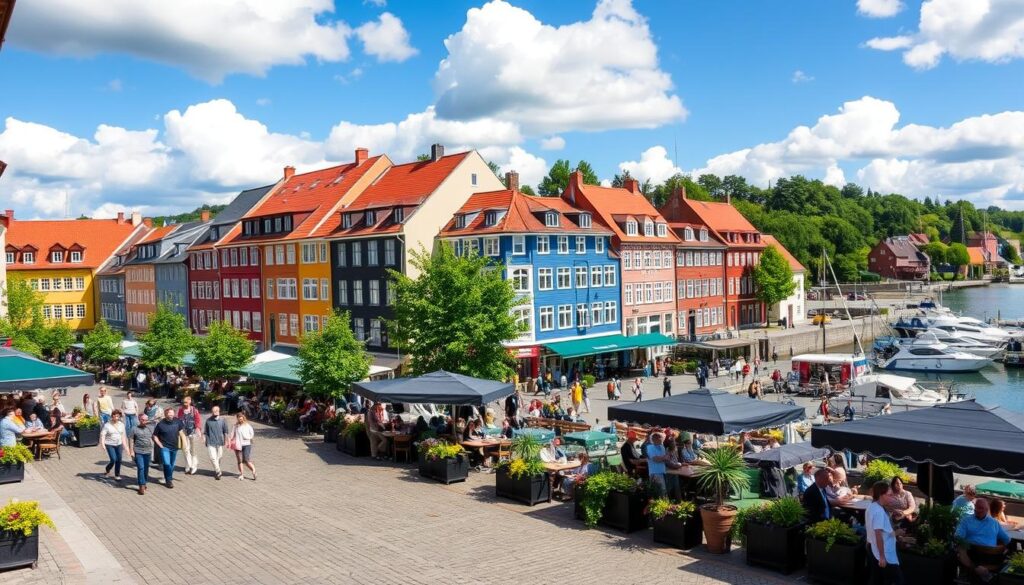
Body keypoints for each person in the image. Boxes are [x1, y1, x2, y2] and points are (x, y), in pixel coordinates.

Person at [955, 498, 1010, 583]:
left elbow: (1006, 539)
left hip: (987, 556)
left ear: (987, 510)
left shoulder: (994, 522)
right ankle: (985, 574)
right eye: (977, 507)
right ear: (974, 508)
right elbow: (958, 536)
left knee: (961, 550)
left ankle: (977, 570)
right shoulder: (966, 520)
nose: (978, 510)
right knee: (961, 549)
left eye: (981, 508)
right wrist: (1001, 546)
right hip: (976, 554)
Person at [866, 481, 903, 584]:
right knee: (898, 580)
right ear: (881, 495)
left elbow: (874, 530)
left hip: (875, 549)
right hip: (884, 552)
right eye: (889, 495)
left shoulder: (872, 506)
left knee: (877, 579)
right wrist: (882, 557)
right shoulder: (879, 511)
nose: (892, 497)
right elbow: (878, 534)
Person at [151, 408, 186, 488]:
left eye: (172, 413)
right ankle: (169, 480)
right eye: (169, 413)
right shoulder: (160, 424)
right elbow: (154, 436)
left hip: (175, 447)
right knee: (167, 464)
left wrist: (184, 444)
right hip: (165, 447)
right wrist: (160, 445)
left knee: (172, 465)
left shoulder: (178, 421)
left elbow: (181, 433)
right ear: (165, 414)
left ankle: (168, 478)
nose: (171, 415)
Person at [126, 413, 154, 495]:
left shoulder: (149, 428)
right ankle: (141, 485)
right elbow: (131, 439)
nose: (145, 421)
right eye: (143, 420)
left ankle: (144, 482)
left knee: (146, 468)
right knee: (141, 467)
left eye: (146, 420)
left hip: (148, 451)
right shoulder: (134, 429)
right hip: (138, 451)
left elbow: (152, 438)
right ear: (139, 420)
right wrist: (131, 451)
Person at [177, 396, 203, 475]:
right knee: (185, 449)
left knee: (193, 450)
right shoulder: (181, 410)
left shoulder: (194, 410)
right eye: (183, 402)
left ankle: (194, 465)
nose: (184, 404)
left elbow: (198, 420)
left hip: (193, 432)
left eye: (186, 402)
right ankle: (188, 465)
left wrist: (198, 429)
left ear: (190, 401)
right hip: (183, 432)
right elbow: (178, 419)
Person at [203, 406, 230, 480]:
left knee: (219, 457)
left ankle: (217, 469)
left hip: (220, 442)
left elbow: (226, 431)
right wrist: (204, 439)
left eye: (216, 410)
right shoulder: (208, 421)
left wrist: (227, 441)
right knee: (213, 458)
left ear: (219, 411)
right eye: (213, 411)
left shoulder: (223, 420)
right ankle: (218, 471)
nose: (214, 412)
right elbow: (205, 432)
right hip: (210, 441)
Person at [99, 409, 126, 481]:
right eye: (115, 416)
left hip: (119, 444)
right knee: (113, 459)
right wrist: (103, 444)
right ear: (112, 416)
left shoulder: (121, 424)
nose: (116, 418)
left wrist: (125, 445)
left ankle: (117, 475)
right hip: (109, 444)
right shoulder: (107, 425)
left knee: (119, 459)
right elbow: (103, 435)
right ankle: (107, 470)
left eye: (118, 416)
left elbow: (123, 435)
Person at [231, 413, 256, 481]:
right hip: (237, 444)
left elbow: (252, 433)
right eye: (239, 418)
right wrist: (230, 441)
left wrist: (248, 438)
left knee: (246, 460)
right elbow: (232, 434)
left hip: (247, 444)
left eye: (241, 418)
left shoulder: (247, 425)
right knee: (239, 460)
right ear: (237, 418)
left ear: (243, 418)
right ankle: (241, 474)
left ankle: (253, 470)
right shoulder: (235, 426)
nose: (240, 419)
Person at [645, 431, 670, 498]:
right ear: (654, 439)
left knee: (663, 491)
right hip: (654, 473)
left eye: (661, 437)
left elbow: (666, 459)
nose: (662, 439)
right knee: (658, 491)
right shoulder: (649, 447)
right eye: (660, 437)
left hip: (662, 472)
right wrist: (663, 458)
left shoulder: (662, 447)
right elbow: (655, 459)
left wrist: (662, 458)